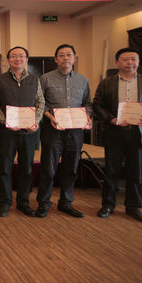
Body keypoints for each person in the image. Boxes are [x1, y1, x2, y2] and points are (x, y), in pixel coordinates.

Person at [93, 47, 142, 224]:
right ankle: (107, 205)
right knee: (111, 171)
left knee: (136, 173)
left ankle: (134, 207)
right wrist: (111, 119)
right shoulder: (107, 83)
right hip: (114, 133)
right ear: (117, 62)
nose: (130, 63)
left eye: (133, 59)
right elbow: (97, 105)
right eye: (125, 59)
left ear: (139, 62)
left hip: (138, 133)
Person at [35, 44, 92, 218]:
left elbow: (88, 103)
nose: (65, 58)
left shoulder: (83, 80)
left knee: (71, 168)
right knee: (48, 168)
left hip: (75, 131)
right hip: (52, 129)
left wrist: (87, 116)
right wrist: (49, 116)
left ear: (74, 58)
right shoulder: (45, 79)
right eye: (61, 55)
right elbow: (39, 103)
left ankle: (66, 202)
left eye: (69, 55)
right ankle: (44, 203)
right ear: (56, 59)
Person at [0, 46, 45, 218]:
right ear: (8, 60)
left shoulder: (35, 80)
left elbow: (41, 102)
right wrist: (4, 121)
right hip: (7, 132)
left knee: (26, 169)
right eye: (13, 56)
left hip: (28, 133)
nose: (17, 59)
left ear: (26, 59)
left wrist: (35, 121)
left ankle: (23, 203)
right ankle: (5, 203)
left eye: (21, 56)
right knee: (5, 168)